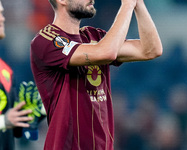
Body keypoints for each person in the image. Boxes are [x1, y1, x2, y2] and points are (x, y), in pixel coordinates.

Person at [30, 0, 163, 149]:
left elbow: (151, 49)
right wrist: (127, 5)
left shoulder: (95, 36)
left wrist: (138, 4)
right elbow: (107, 53)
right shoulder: (46, 40)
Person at [0, 1, 45, 149]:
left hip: (34, 123)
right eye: (10, 10)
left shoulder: (42, 44)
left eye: (19, 10)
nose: (15, 15)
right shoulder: (3, 48)